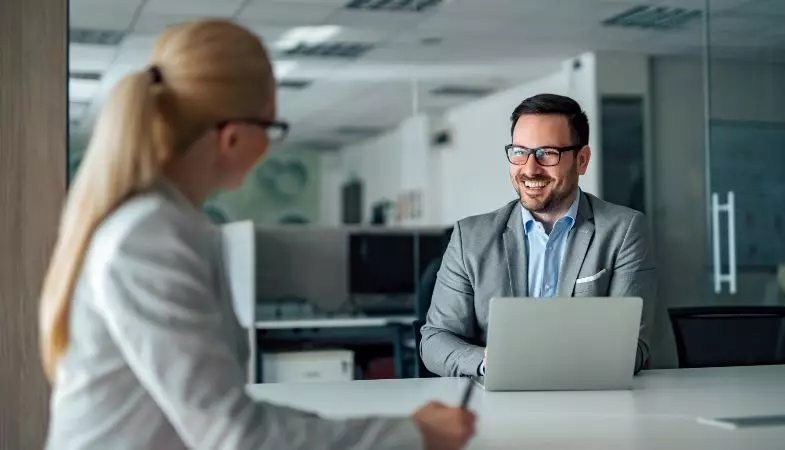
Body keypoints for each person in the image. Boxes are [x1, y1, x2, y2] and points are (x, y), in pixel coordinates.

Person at [39, 19, 475, 450]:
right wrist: (409, 434)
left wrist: (399, 425)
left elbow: (232, 417)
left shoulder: (167, 225)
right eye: (271, 128)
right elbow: (237, 437)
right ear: (231, 137)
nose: (271, 146)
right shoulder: (149, 238)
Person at [420, 93, 656, 378]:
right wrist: (486, 362)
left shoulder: (623, 230)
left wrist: (548, 364)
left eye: (547, 153)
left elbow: (634, 347)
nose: (530, 169)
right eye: (520, 152)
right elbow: (435, 339)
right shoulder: (468, 238)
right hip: (495, 402)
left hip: (589, 400)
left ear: (581, 160)